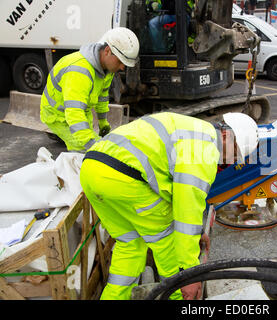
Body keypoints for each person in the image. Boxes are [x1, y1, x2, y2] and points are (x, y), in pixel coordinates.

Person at [79, 112, 259, 300]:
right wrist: (189, 274)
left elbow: (177, 194)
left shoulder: (195, 130)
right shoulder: (205, 150)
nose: (230, 161)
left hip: (92, 171)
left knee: (130, 245)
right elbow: (186, 213)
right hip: (123, 179)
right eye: (235, 153)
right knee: (167, 243)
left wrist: (196, 233)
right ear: (227, 136)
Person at [40, 27, 139, 152]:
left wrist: (103, 121)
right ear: (108, 51)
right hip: (59, 115)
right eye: (120, 61)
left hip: (81, 109)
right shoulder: (79, 71)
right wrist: (93, 146)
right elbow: (74, 114)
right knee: (83, 148)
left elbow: (102, 96)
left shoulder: (107, 69)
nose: (122, 67)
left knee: (91, 141)